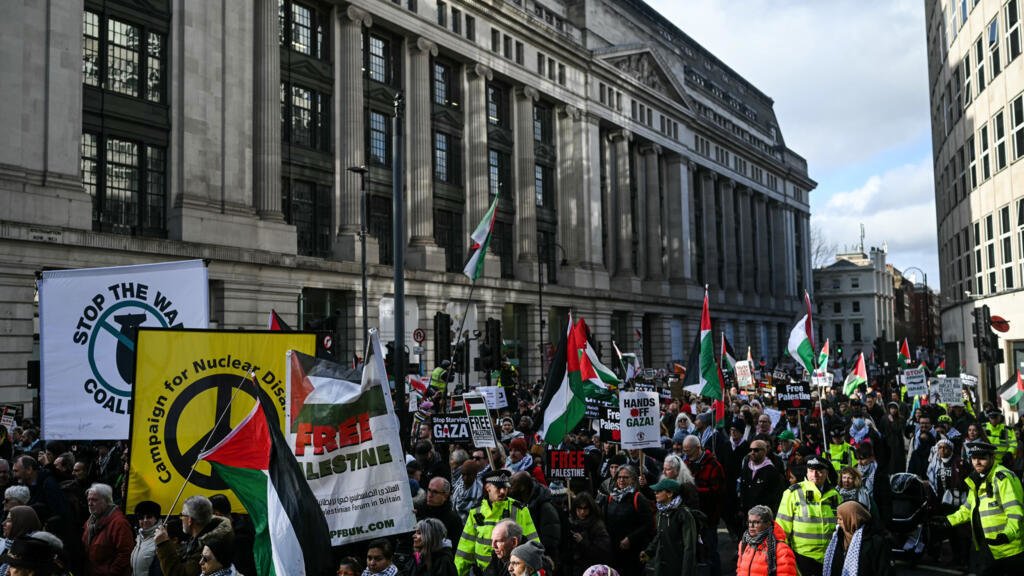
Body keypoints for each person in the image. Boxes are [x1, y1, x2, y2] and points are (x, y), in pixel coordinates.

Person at [944, 440, 1024, 574]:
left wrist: (1006, 535)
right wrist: (949, 520)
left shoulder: (1003, 478)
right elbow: (968, 508)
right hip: (986, 546)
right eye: (974, 458)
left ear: (992, 457)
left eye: (982, 458)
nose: (977, 462)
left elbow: (1015, 512)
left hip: (1009, 550)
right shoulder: (976, 478)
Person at [455, 470, 537, 576]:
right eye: (498, 488)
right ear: (487, 488)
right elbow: (465, 549)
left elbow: (532, 544)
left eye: (505, 487)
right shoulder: (476, 511)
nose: (503, 491)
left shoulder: (519, 510)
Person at [776, 457, 841, 576]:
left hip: (830, 556)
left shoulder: (835, 495)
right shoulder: (792, 493)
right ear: (806, 472)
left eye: (819, 471)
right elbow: (781, 530)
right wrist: (783, 557)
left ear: (827, 473)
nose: (814, 475)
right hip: (802, 557)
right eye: (811, 470)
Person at [153, 496, 233, 576]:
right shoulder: (198, 538)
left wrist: (163, 544)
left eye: (182, 515)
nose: (181, 519)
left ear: (189, 520)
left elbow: (181, 574)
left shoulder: (209, 545)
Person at [600, 465, 653, 576]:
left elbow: (648, 524)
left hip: (633, 552)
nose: (621, 480)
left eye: (625, 477)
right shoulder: (610, 497)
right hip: (614, 550)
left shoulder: (638, 498)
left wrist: (630, 538)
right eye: (619, 477)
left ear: (633, 479)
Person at [639, 479, 698, 576]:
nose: (655, 493)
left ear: (670, 494)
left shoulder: (684, 515)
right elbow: (660, 535)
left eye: (658, 491)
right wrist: (649, 552)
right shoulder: (661, 512)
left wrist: (686, 573)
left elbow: (689, 548)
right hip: (661, 568)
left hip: (676, 568)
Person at [822, 501, 890, 576]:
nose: (838, 522)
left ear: (852, 520)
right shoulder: (837, 539)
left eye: (841, 519)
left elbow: (884, 570)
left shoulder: (875, 541)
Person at [82, 483, 133, 576]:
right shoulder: (90, 522)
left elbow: (125, 553)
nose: (90, 503)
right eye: (88, 499)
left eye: (94, 500)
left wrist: (111, 573)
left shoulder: (119, 523)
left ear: (106, 501)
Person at [507, 473, 560, 564]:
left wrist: (541, 556)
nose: (509, 489)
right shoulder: (517, 504)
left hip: (539, 557)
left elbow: (550, 538)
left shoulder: (544, 507)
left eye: (512, 485)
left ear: (523, 487)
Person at [735, 505, 797, 576]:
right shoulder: (744, 544)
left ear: (768, 524)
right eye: (749, 522)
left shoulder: (782, 550)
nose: (751, 526)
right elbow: (739, 570)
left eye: (756, 522)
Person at [567, 492, 610, 576]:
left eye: (585, 508)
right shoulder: (570, 522)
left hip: (590, 569)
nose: (582, 512)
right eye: (579, 508)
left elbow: (603, 551)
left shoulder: (597, 526)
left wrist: (583, 542)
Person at [738, 439, 785, 516]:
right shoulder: (746, 467)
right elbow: (742, 489)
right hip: (747, 514)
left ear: (764, 451)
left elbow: (776, 496)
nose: (752, 453)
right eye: (751, 450)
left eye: (756, 450)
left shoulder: (771, 471)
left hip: (763, 515)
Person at [417, 477, 464, 549]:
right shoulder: (418, 511)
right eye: (429, 490)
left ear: (445, 496)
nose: (430, 495)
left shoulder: (453, 519)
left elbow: (455, 547)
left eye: (435, 492)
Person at [1, 506, 42, 574]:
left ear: (20, 523)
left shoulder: (29, 550)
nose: (3, 523)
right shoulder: (8, 545)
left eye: (9, 520)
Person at [129, 500, 161, 576]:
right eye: (141, 517)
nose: (145, 520)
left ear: (156, 518)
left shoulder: (160, 538)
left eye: (149, 516)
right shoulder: (139, 538)